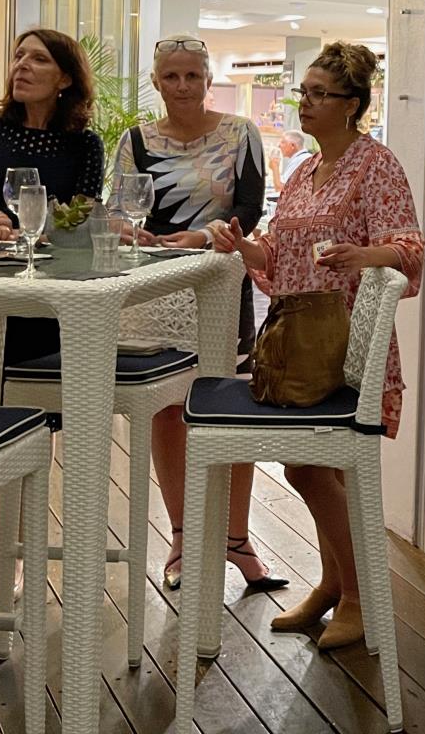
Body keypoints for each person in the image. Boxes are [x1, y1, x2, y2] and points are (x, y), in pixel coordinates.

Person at [209, 42, 423, 650]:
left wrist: (364, 255)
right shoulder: (304, 170)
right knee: (319, 468)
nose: (305, 103)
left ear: (352, 104)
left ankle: (359, 595)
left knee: (309, 466)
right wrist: (243, 247)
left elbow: (410, 251)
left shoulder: (376, 165)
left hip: (348, 344)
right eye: (304, 92)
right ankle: (334, 584)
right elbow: (278, 257)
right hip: (302, 345)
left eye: (320, 94)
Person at [112, 34, 283, 593]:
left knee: (233, 409)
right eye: (171, 76)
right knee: (168, 411)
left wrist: (204, 236)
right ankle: (183, 536)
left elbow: (249, 208)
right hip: (156, 287)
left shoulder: (241, 133)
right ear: (156, 82)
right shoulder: (136, 140)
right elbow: (119, 208)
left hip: (219, 283)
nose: (182, 86)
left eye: (192, 76)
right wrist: (131, 233)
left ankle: (237, 540)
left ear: (209, 81)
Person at [0, 28, 104, 373]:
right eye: (19, 56)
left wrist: (21, 233)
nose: (22, 65)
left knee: (26, 377)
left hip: (43, 288)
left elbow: (80, 224)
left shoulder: (84, 145)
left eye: (39, 59)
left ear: (65, 79)